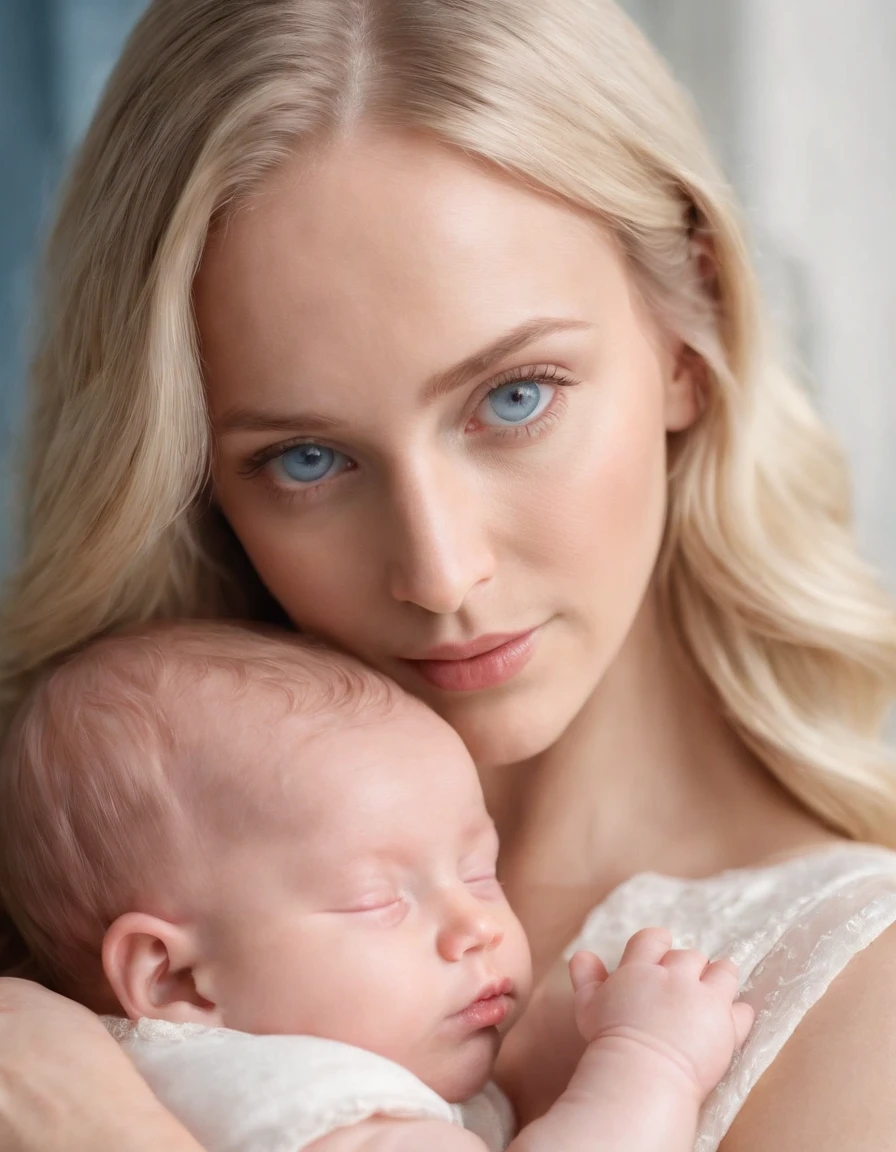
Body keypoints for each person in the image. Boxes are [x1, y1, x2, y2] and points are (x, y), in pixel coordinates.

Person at [1, 0, 895, 1148]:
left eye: (513, 397)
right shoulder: (86, 920)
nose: (437, 568)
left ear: (690, 327)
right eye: (306, 459)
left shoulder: (858, 995)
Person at [0, 620, 752, 1152]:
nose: (477, 928)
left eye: (478, 873)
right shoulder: (323, 1105)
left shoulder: (101, 1078)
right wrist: (650, 1062)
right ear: (175, 979)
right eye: (380, 901)